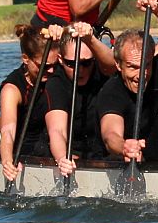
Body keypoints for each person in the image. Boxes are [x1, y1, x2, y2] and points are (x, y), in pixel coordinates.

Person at [37, 21, 117, 177]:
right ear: (60, 59)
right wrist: (62, 158)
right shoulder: (56, 83)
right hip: (67, 153)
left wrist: (91, 39)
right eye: (71, 64)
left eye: (86, 63)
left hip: (98, 152)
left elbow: (113, 64)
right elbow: (57, 131)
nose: (80, 70)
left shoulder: (102, 70)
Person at [0, 24, 61, 183]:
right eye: (44, 67)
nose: (52, 71)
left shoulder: (58, 75)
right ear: (25, 59)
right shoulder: (12, 89)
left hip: (55, 144)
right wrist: (7, 161)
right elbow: (7, 131)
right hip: (25, 150)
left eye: (55, 65)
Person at [92, 28, 158, 164]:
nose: (141, 76)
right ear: (118, 64)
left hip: (155, 162)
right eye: (133, 67)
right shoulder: (111, 92)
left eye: (146, 66)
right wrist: (125, 147)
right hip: (115, 163)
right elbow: (110, 135)